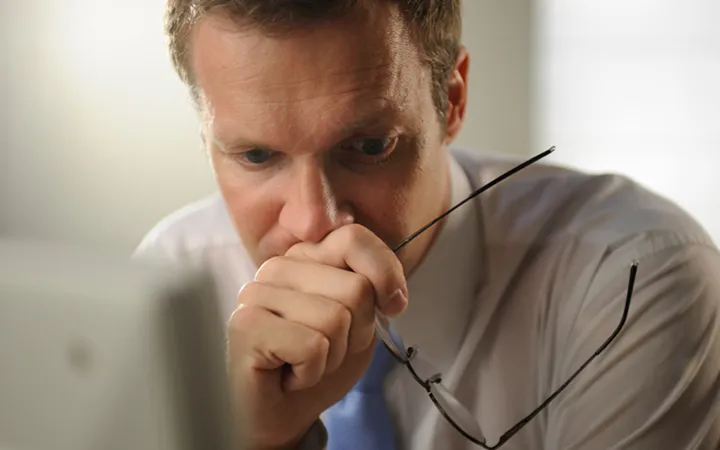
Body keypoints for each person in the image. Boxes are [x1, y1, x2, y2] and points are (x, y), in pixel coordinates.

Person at [135, 0, 720, 449]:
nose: (314, 223)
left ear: (452, 99)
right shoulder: (169, 285)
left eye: (370, 145)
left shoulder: (632, 276)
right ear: (205, 137)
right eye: (256, 156)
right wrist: (264, 441)